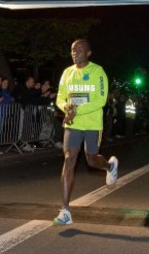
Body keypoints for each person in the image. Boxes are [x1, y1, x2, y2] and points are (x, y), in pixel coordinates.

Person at [53, 39, 118, 225]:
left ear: (88, 53)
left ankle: (109, 166)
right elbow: (59, 97)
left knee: (91, 160)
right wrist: (66, 106)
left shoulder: (98, 72)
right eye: (73, 50)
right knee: (69, 158)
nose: (75, 53)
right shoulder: (67, 73)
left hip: (92, 124)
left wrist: (77, 110)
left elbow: (101, 100)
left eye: (79, 50)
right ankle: (65, 211)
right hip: (73, 124)